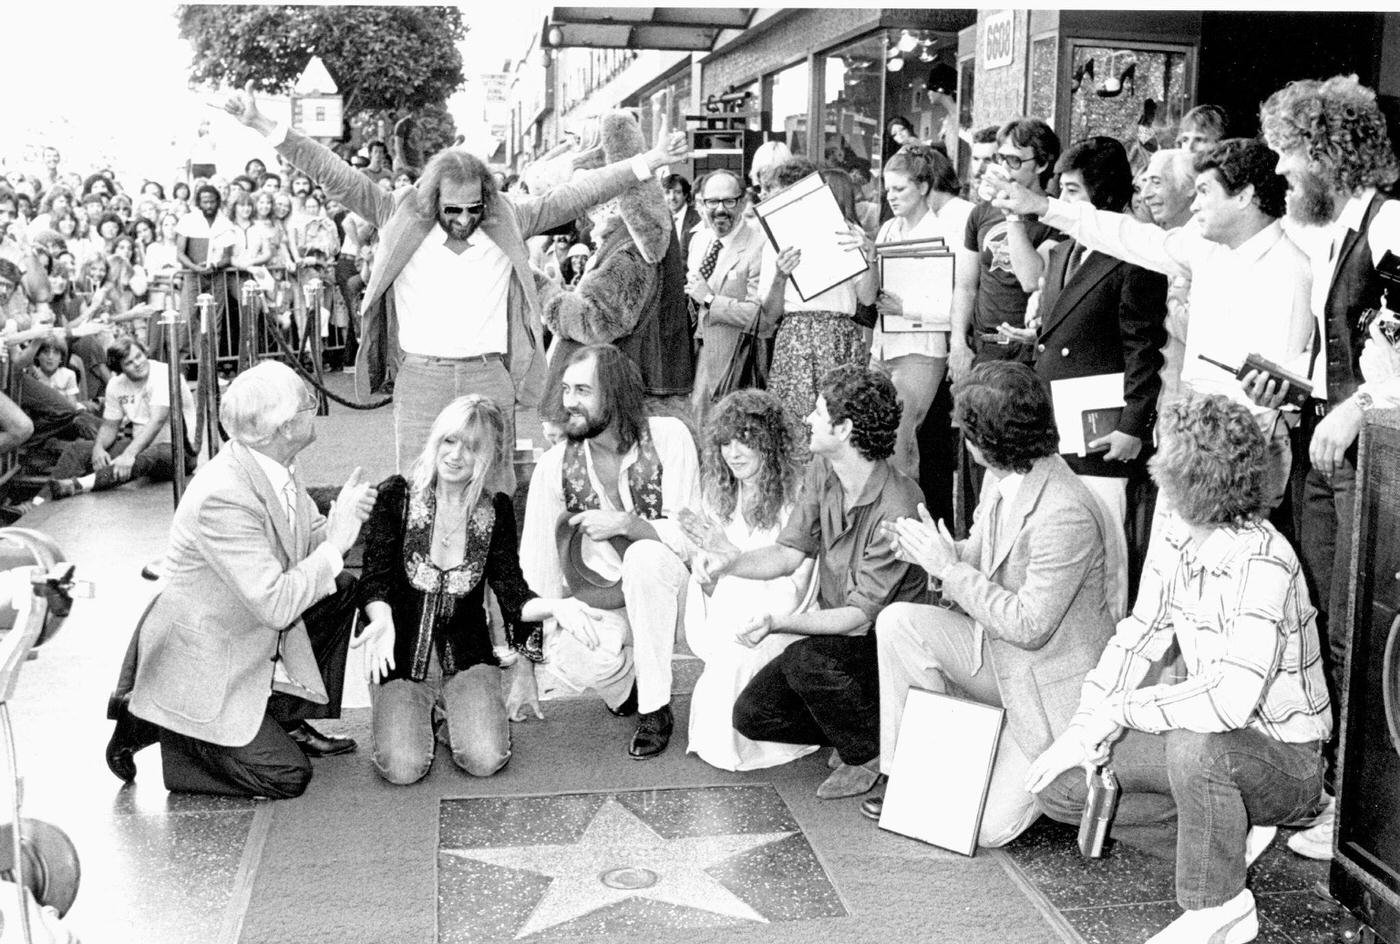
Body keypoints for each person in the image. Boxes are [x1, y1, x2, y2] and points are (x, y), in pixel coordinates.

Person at [224, 81, 689, 477]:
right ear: (432, 199)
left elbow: (576, 193)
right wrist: (266, 126)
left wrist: (646, 162)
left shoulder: (506, 215)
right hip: (421, 377)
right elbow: (336, 175)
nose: (465, 219)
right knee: (420, 486)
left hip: (488, 373)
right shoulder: (399, 211)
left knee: (494, 492)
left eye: (474, 209)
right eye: (452, 211)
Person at [1028, 394, 1331, 944]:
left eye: (1165, 451)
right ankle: (1222, 840)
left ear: (1187, 474)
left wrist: (1121, 710)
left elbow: (1229, 702)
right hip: (1212, 741)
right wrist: (1082, 726)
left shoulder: (1263, 559)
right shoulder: (1174, 529)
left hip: (1286, 763)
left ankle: (1220, 908)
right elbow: (1138, 636)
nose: (1153, 461)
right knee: (1062, 787)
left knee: (1199, 744)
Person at [863, 360, 1117, 846]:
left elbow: (1028, 626)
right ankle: (909, 773)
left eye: (966, 426)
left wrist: (947, 567)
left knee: (987, 829)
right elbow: (978, 556)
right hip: (999, 662)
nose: (959, 433)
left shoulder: (1065, 512)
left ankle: (1032, 761)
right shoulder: (1006, 478)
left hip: (1045, 689)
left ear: (988, 441)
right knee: (898, 623)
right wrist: (929, 551)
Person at [993, 138, 1312, 519]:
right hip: (1191, 437)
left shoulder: (1290, 269)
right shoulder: (1207, 246)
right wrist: (1044, 207)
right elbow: (1131, 238)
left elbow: (1278, 392)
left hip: (1243, 452)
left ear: (1243, 197)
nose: (1193, 206)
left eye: (1204, 192)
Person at [110, 361, 377, 798]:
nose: (316, 407)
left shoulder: (275, 461)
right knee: (286, 777)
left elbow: (309, 540)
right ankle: (172, 732)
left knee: (339, 587)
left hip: (246, 624)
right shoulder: (223, 494)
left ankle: (280, 714)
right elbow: (277, 604)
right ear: (287, 427)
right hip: (207, 655)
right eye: (309, 404)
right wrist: (335, 545)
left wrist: (341, 525)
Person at [1259, 75, 1400, 859]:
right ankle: (1331, 793)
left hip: (1367, 456)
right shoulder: (1345, 230)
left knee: (1349, 626)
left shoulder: (1389, 225)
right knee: (1324, 620)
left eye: (1287, 155)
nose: (1279, 172)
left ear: (1325, 154)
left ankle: (1349, 809)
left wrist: (1356, 405)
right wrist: (1307, 392)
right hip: (1331, 449)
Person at [702, 364, 928, 799]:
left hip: (887, 649)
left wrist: (778, 623)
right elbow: (788, 555)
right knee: (752, 715)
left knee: (806, 659)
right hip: (845, 641)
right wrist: (730, 562)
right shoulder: (824, 471)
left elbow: (858, 621)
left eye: (819, 412)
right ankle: (865, 730)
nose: (808, 419)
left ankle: (873, 752)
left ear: (843, 429)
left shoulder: (898, 502)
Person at [355, 395, 607, 784]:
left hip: (467, 659)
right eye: (449, 441)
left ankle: (449, 712)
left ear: (489, 457)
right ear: (435, 441)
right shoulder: (397, 496)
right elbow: (373, 576)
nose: (456, 455)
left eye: (471, 448)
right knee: (402, 768)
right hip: (401, 660)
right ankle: (428, 713)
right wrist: (382, 619)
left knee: (486, 759)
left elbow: (513, 596)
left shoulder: (497, 510)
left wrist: (558, 607)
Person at [1008, 136, 1167, 611]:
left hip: (1102, 434)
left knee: (1106, 554)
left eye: (1072, 192)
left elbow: (1143, 346)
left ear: (1105, 196)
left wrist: (1132, 425)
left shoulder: (1136, 255)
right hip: (1055, 427)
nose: (1060, 202)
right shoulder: (1060, 253)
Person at [519, 344, 700, 759]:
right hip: (606, 607)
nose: (569, 403)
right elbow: (535, 569)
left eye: (582, 391)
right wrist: (525, 667)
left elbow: (693, 539)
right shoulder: (554, 466)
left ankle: (655, 709)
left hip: (676, 599)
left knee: (644, 557)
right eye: (566, 390)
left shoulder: (670, 437)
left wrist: (628, 525)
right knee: (573, 657)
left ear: (616, 394)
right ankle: (627, 689)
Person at [680, 389, 817, 771]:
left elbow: (797, 582)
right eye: (725, 442)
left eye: (746, 440)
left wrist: (729, 561)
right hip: (729, 611)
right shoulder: (719, 495)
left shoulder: (796, 498)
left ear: (770, 443)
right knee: (728, 653)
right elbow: (708, 579)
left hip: (779, 617)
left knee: (740, 653)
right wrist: (706, 573)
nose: (733, 453)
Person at [541, 111, 695, 427]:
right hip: (622, 399)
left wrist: (543, 292)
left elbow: (597, 322)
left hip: (620, 407)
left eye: (587, 186)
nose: (580, 200)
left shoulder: (632, 243)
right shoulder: (631, 235)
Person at [872, 144, 974, 479]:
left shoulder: (946, 233)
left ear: (924, 187)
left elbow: (957, 302)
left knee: (901, 440)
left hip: (921, 348)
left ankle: (904, 519)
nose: (892, 196)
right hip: (883, 345)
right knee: (875, 436)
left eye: (899, 188)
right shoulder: (888, 229)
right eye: (887, 189)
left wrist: (906, 307)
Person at [761, 157, 877, 435]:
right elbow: (769, 313)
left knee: (843, 424)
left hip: (840, 334)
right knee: (796, 427)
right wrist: (780, 276)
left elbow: (868, 297)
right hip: (796, 336)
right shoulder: (773, 240)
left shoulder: (847, 231)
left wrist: (870, 257)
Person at [951, 117, 1063, 381]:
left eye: (1014, 160)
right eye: (1000, 158)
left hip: (1028, 350)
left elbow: (1031, 280)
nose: (1003, 168)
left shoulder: (1055, 216)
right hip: (984, 346)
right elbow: (966, 285)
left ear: (1042, 164)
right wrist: (958, 343)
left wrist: (1012, 216)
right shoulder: (981, 213)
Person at [42, 338, 196, 500]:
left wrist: (129, 454)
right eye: (129, 362)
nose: (137, 363)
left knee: (149, 454)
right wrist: (98, 448)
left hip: (179, 453)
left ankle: (78, 485)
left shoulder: (164, 373)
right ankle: (40, 501)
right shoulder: (116, 385)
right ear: (120, 368)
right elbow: (110, 426)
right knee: (79, 449)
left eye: (139, 356)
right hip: (141, 447)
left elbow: (157, 421)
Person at [685, 169, 766, 419]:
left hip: (734, 364)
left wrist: (709, 299)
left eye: (728, 201)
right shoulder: (699, 241)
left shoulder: (759, 245)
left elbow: (758, 317)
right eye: (712, 201)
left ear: (742, 202)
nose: (720, 209)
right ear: (701, 203)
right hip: (693, 356)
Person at [663, 172, 702, 261]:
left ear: (685, 194)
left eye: (677, 192)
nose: (672, 197)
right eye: (667, 193)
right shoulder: (658, 220)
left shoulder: (699, 219)